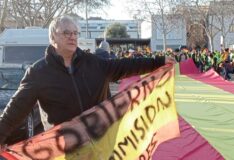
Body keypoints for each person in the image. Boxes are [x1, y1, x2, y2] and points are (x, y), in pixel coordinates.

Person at [0, 15, 176, 145]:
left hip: (102, 144)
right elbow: (15, 110)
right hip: (65, 149)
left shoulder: (94, 63)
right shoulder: (38, 73)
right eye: (66, 33)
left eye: (75, 33)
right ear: (53, 37)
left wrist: (158, 62)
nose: (73, 36)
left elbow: (126, 65)